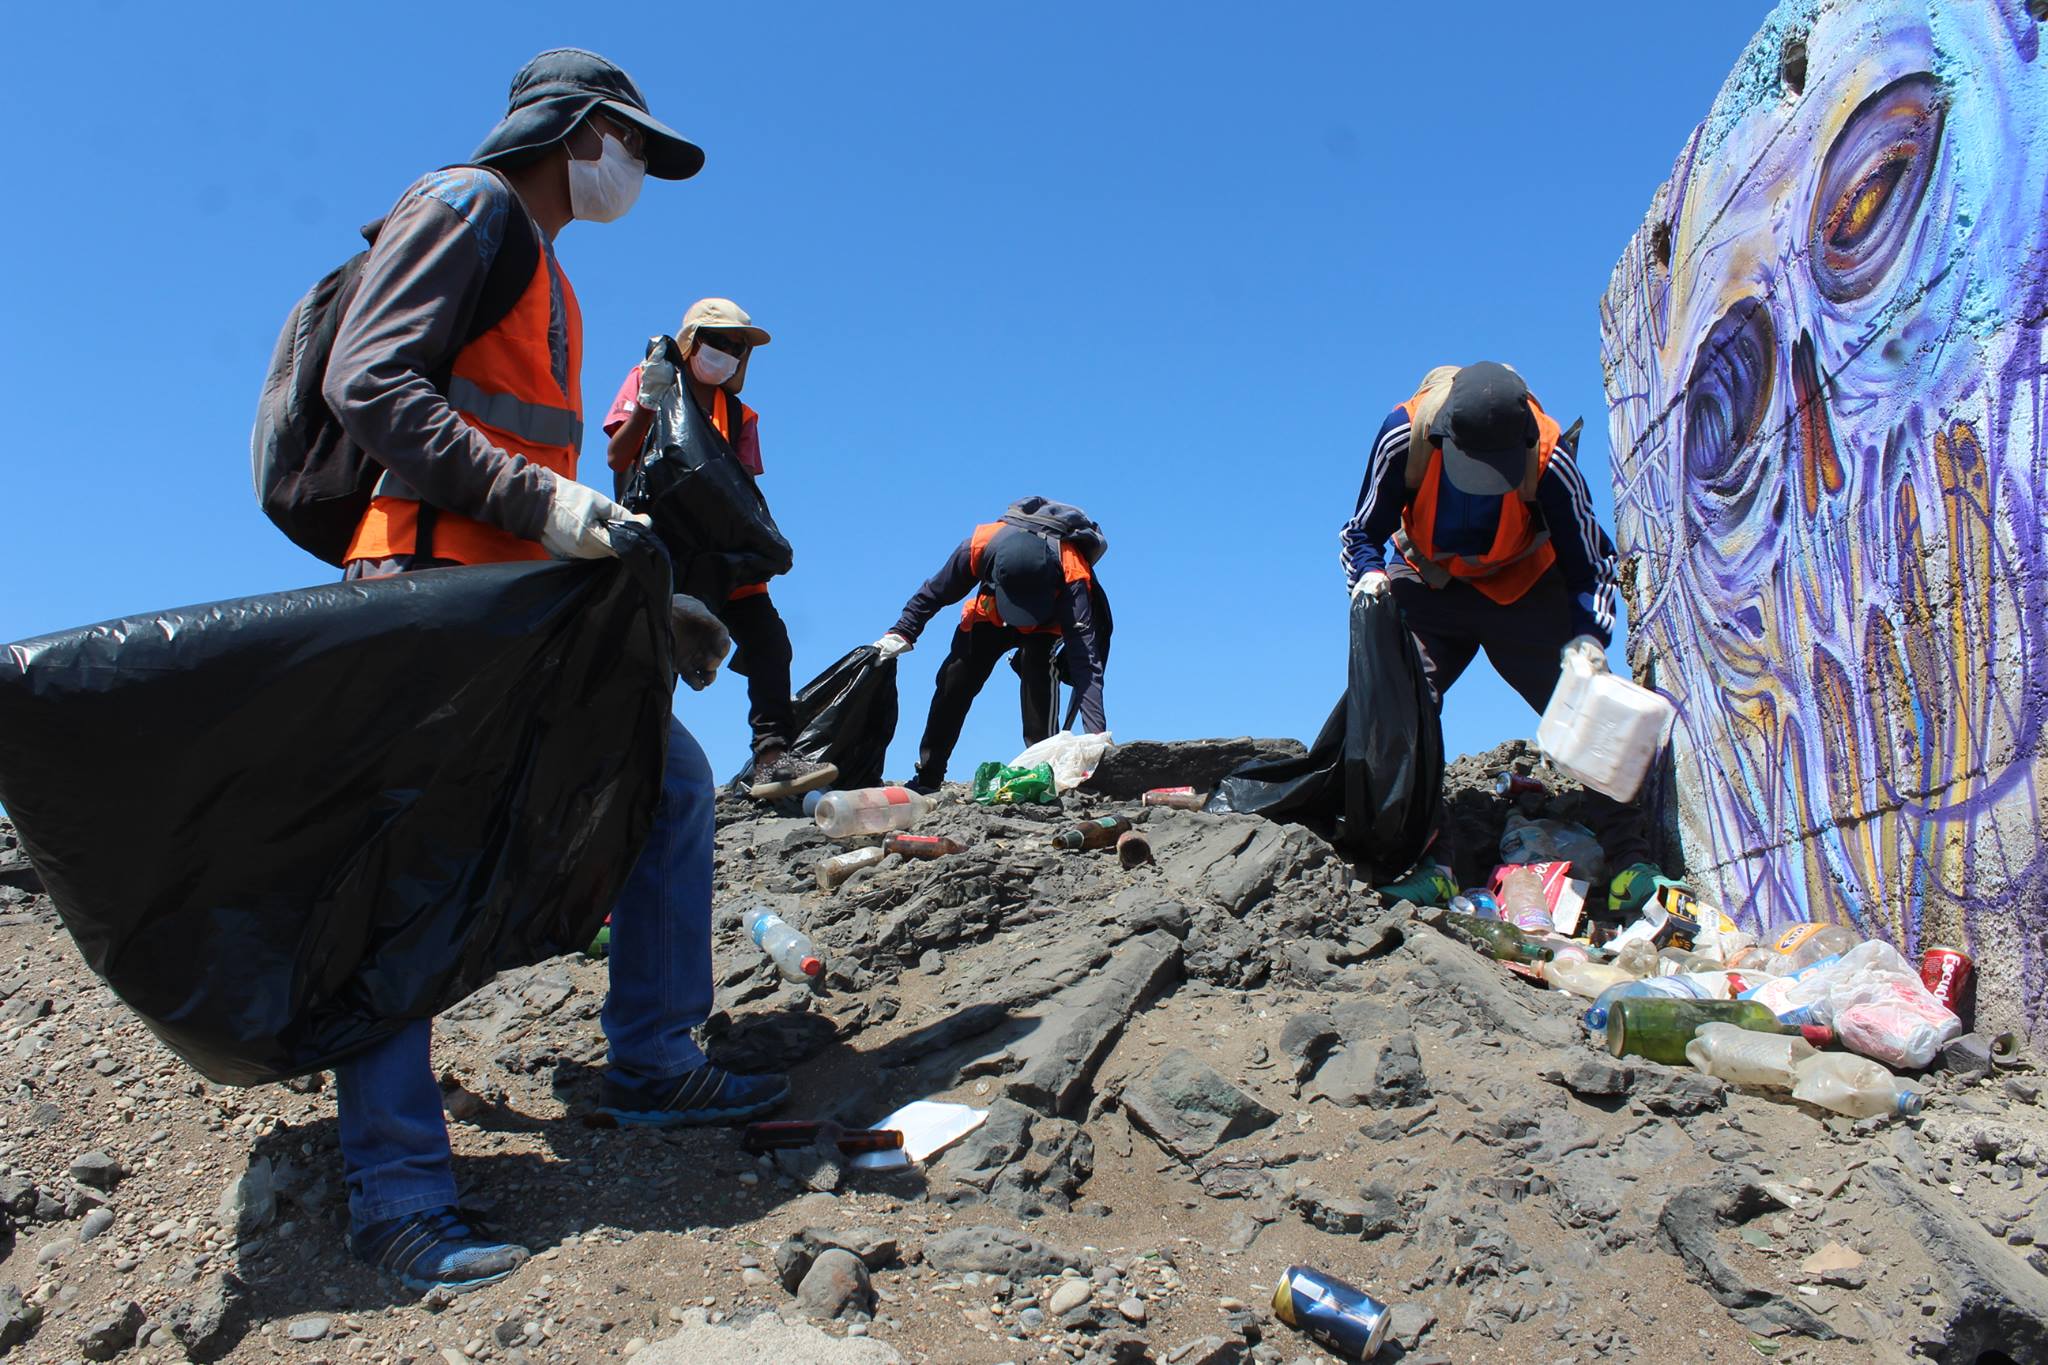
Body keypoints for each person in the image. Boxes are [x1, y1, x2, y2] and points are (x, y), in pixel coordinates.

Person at [323, 49, 786, 1295]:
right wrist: (546, 500)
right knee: (409, 871)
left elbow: (530, 477)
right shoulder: (465, 206)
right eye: (632, 145)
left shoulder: (551, 275)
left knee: (671, 783)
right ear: (579, 131)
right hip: (424, 599)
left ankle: (648, 1057)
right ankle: (398, 1195)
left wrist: (640, 600)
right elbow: (366, 382)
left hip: (518, 605)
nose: (635, 170)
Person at [1338, 362, 1660, 911]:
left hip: (1526, 587)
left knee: (1588, 711)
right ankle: (1430, 861)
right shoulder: (1404, 436)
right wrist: (1368, 576)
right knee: (1402, 709)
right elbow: (1360, 532)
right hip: (1429, 581)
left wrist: (1588, 640)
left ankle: (1630, 862)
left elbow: (1591, 565)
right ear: (1444, 439)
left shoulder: (1550, 457)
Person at [601, 298, 836, 801]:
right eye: (719, 341)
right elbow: (617, 457)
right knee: (654, 653)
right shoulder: (651, 382)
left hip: (724, 556)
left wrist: (759, 545)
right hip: (664, 548)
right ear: (691, 342)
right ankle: (635, 764)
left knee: (770, 642)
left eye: (737, 346)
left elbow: (740, 493)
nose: (728, 352)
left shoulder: (740, 414)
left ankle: (773, 759)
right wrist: (647, 402)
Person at [877, 498, 1109, 793]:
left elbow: (1086, 663)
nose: (1022, 624)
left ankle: (1042, 771)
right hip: (991, 616)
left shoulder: (1072, 574)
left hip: (1046, 626)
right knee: (954, 679)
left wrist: (1096, 734)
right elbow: (934, 593)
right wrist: (902, 632)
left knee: (1038, 668)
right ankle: (929, 774)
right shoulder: (979, 547)